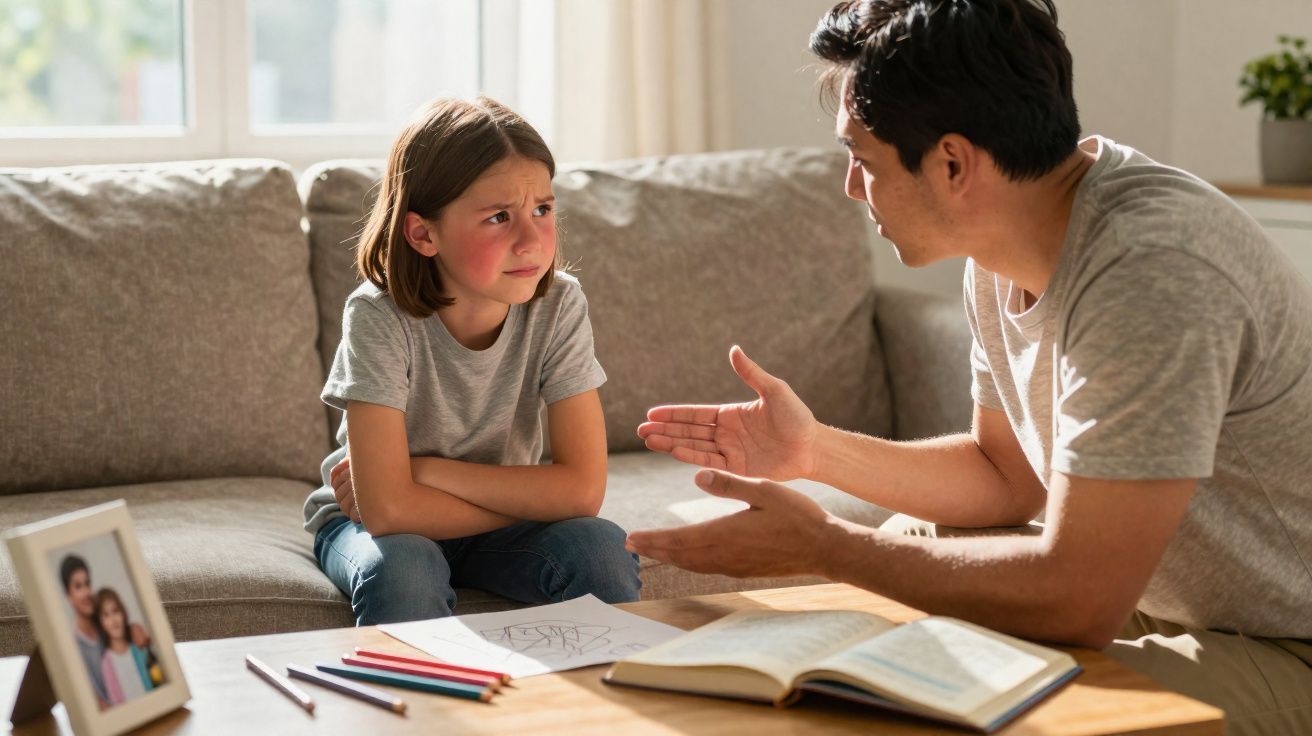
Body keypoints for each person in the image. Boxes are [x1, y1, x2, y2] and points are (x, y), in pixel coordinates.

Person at [627, 1, 1312, 733]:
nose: (852, 189)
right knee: (906, 547)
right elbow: (1005, 474)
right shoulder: (1004, 245)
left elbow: (1078, 598)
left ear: (953, 163)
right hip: (1151, 587)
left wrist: (825, 545)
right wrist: (814, 452)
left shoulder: (1153, 268)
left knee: (956, 695)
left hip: (1282, 637)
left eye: (862, 160)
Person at [304, 96, 640, 626]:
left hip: (478, 526)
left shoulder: (559, 305)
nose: (531, 240)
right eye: (499, 217)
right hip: (371, 529)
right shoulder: (378, 315)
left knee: (600, 548)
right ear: (423, 233)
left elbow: (582, 492)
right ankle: (429, 709)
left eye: (542, 210)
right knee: (406, 566)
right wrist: (539, 497)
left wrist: (425, 473)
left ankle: (593, 706)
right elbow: (388, 512)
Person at [93, 588, 156, 705]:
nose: (113, 619)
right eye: (106, 615)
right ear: (100, 623)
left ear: (123, 613)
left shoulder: (139, 650)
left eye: (116, 611)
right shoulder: (106, 663)